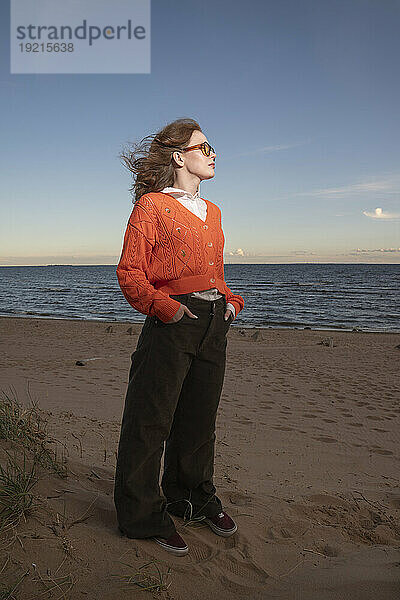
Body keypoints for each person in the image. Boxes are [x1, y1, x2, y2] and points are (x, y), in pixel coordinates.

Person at [113, 117, 245, 556]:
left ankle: (190, 497)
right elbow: (131, 274)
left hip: (213, 324)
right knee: (150, 420)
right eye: (203, 147)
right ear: (178, 156)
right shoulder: (151, 206)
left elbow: (216, 275)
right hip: (172, 322)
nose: (212, 154)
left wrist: (230, 303)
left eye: (211, 148)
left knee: (199, 419)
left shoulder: (215, 212)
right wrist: (167, 309)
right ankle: (141, 515)